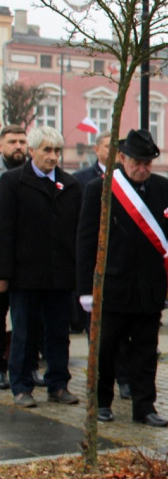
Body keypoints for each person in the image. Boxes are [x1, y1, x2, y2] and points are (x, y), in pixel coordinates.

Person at [76, 129, 168, 427]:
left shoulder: (164, 189)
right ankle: (101, 402)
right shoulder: (101, 188)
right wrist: (86, 289)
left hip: (149, 286)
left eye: (148, 163)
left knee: (147, 350)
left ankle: (144, 405)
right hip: (113, 284)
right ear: (122, 158)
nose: (143, 168)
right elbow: (86, 241)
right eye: (137, 162)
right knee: (106, 348)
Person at [0, 126, 82, 407]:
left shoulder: (71, 185)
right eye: (47, 150)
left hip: (60, 276)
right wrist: (3, 273)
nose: (53, 156)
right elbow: (5, 231)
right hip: (26, 275)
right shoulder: (12, 182)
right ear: (32, 151)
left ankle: (58, 384)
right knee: (23, 333)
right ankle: (21, 385)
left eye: (57, 150)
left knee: (59, 333)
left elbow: (77, 232)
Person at [73, 131, 130, 392]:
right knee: (100, 334)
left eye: (117, 147)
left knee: (124, 334)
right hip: (97, 265)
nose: (113, 152)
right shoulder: (82, 181)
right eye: (108, 146)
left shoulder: (129, 178)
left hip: (122, 266)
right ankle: (98, 383)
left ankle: (125, 379)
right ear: (96, 149)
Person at [0, 124, 30, 391]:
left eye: (22, 141)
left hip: (25, 259)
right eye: (12, 142)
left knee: (25, 320)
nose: (18, 146)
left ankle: (26, 368)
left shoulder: (32, 175)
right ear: (1, 146)